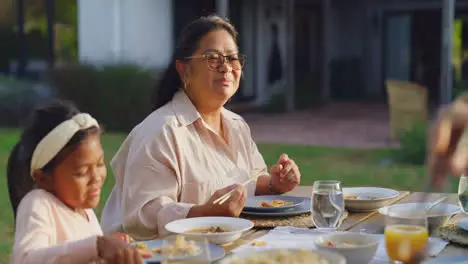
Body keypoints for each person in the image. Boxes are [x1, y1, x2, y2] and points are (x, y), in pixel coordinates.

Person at [100, 15, 301, 240]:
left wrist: (274, 184)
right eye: (212, 58)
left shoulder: (237, 126)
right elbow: (142, 217)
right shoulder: (161, 132)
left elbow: (251, 182)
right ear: (184, 69)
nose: (226, 67)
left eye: (232, 58)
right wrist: (205, 214)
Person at [7, 100, 150, 264]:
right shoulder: (38, 204)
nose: (96, 177)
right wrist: (98, 246)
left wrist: (108, 250)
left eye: (100, 164)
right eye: (82, 172)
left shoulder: (83, 210)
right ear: (43, 178)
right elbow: (26, 260)